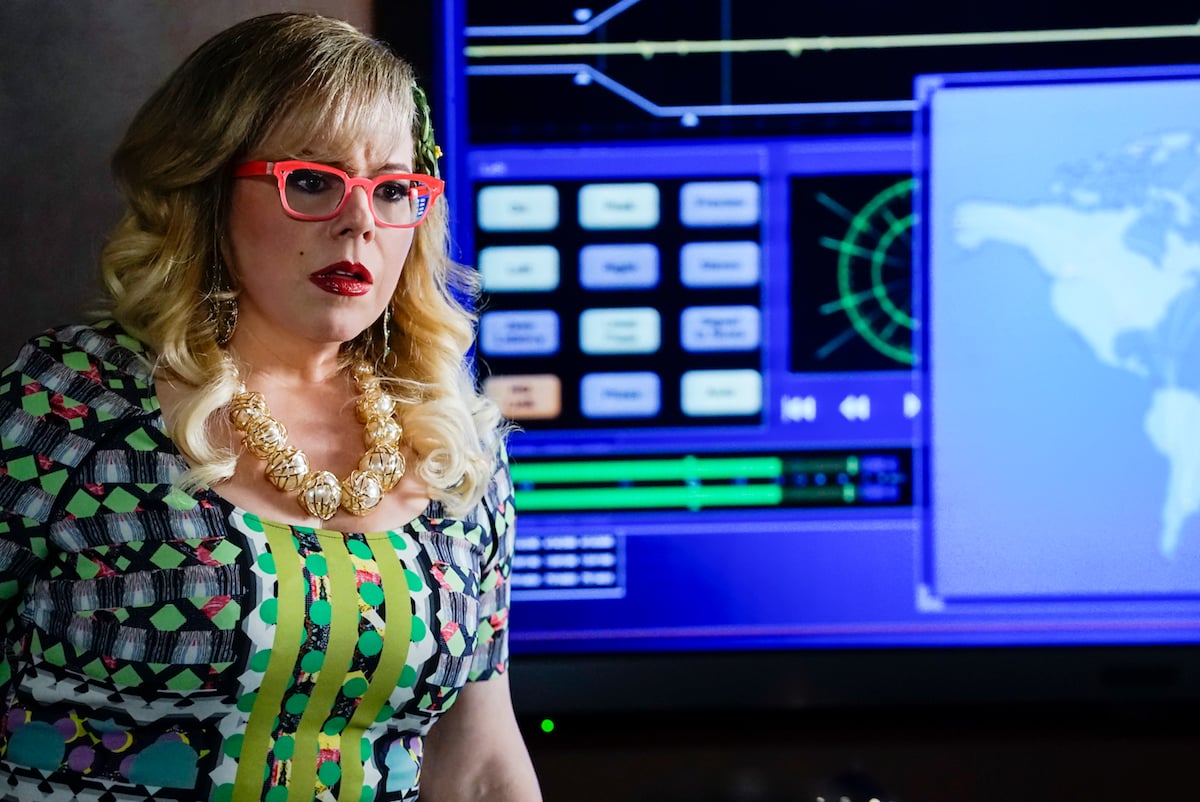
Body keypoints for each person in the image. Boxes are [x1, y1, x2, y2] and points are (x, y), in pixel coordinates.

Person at [0, 12, 542, 802]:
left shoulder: (453, 441)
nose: (359, 222)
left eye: (394, 189)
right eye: (313, 181)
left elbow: (480, 762)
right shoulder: (69, 404)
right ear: (208, 190)